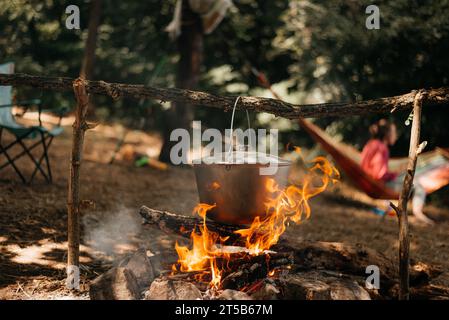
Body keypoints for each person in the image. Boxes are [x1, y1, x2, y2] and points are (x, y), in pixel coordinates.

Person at [361, 119, 434, 225]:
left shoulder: (371, 143)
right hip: (378, 185)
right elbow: (379, 174)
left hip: (369, 181)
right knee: (418, 185)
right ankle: (418, 213)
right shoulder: (382, 148)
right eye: (394, 132)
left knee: (409, 177)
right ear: (387, 134)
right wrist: (395, 174)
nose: (396, 136)